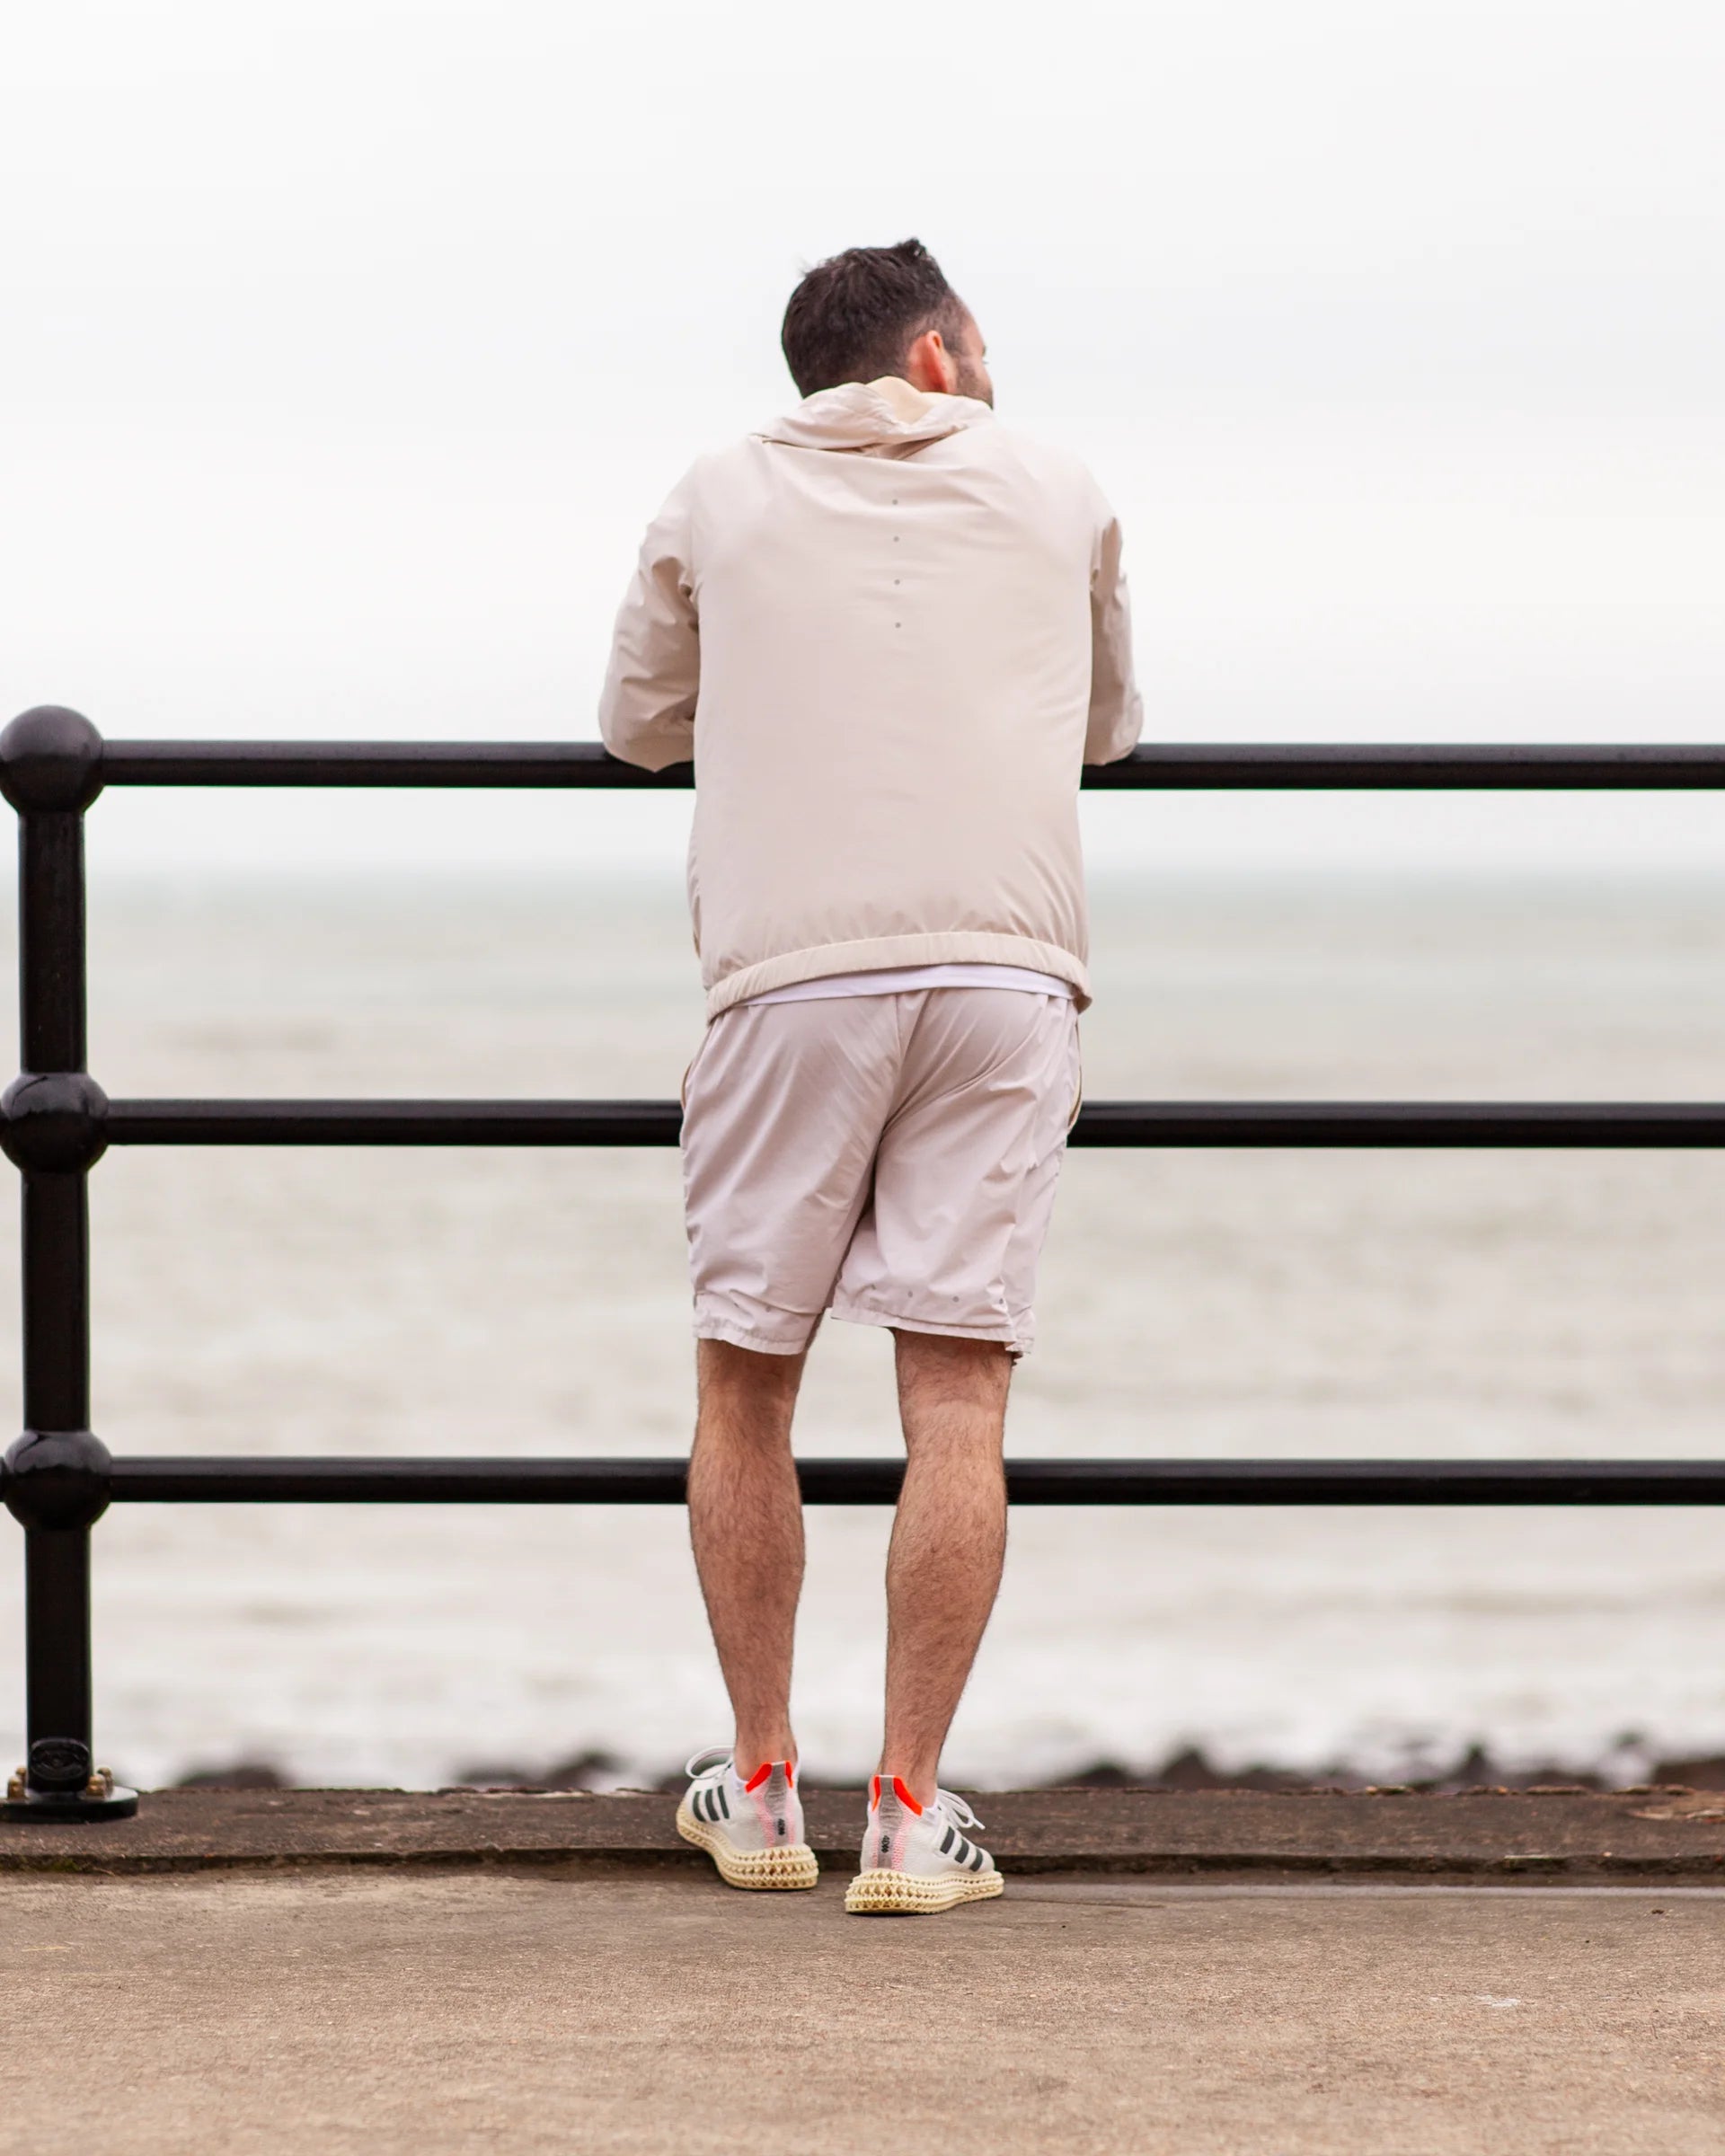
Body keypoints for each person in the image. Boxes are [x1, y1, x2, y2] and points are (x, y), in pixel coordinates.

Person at [599, 238, 1142, 1913]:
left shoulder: (717, 492)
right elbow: (1109, 730)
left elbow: (636, 723)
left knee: (745, 1385)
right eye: (981, 346)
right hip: (1002, 972)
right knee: (958, 1398)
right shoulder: (1062, 490)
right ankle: (910, 1814)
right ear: (933, 352)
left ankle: (762, 1793)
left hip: (791, 974)